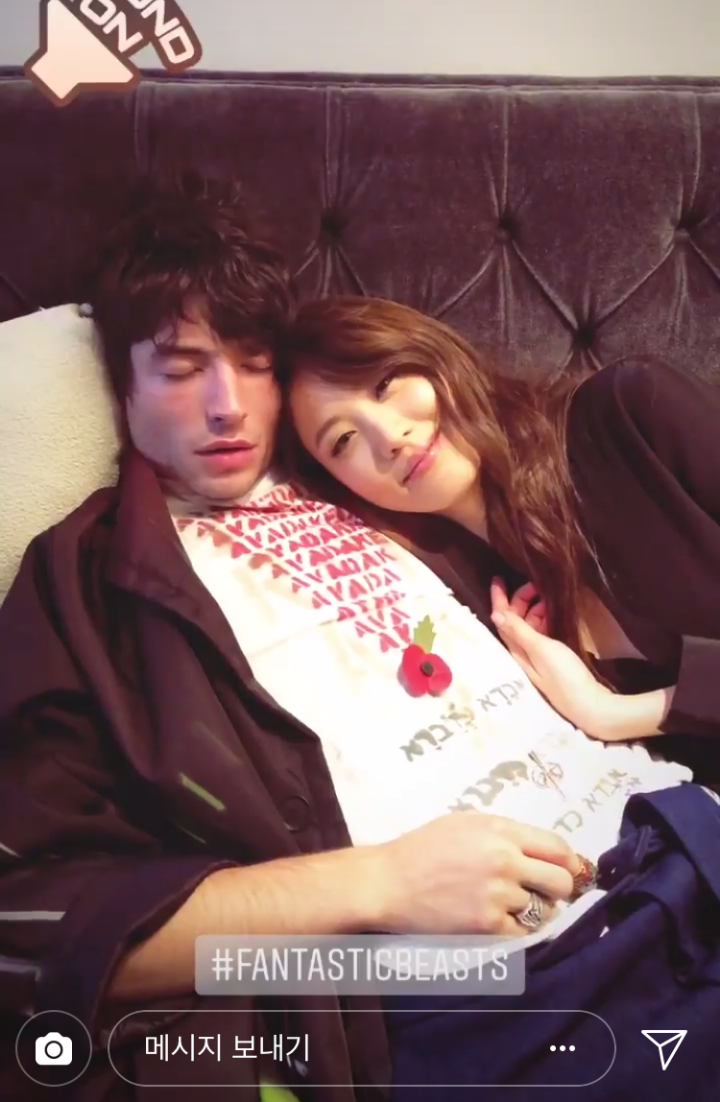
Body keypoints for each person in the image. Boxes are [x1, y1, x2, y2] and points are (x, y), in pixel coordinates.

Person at [1, 175, 719, 1102]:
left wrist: (625, 706)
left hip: (686, 829)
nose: (227, 406)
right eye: (179, 369)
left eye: (254, 363)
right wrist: (372, 886)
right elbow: (30, 929)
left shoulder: (387, 492)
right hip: (523, 988)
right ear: (120, 385)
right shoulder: (90, 584)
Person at [284, 294, 720, 755]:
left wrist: (615, 714)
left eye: (385, 383)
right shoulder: (471, 614)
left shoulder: (630, 411)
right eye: (344, 440)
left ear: (431, 355)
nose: (390, 436)